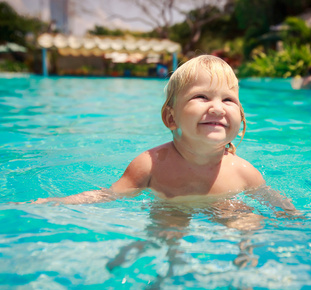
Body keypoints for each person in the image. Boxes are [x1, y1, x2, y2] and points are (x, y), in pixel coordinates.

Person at [34, 55, 292, 207]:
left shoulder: (244, 173)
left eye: (228, 100)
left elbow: (279, 206)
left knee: (244, 222)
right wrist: (58, 202)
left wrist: (297, 221)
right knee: (166, 232)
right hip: (170, 212)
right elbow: (109, 195)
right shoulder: (150, 165)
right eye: (201, 96)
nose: (217, 108)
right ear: (171, 117)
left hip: (224, 208)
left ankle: (244, 276)